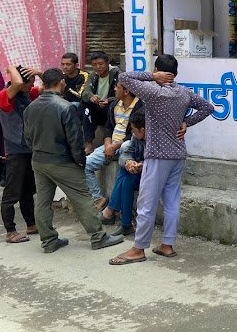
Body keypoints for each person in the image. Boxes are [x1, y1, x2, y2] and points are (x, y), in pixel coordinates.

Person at [109, 54, 215, 265]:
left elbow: (124, 77)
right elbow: (208, 108)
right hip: (178, 154)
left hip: (158, 155)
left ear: (159, 70)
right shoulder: (183, 92)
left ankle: (139, 248)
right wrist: (186, 122)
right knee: (172, 201)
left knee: (146, 203)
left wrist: (151, 76)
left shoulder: (154, 92)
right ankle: (167, 244)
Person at [22, 68, 124, 254]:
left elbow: (27, 138)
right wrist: (80, 161)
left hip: (39, 160)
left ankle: (49, 240)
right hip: (62, 161)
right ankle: (98, 237)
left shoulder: (31, 107)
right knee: (83, 199)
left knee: (42, 202)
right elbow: (75, 140)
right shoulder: (65, 107)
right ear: (61, 82)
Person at [0, 65, 41, 244]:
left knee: (28, 191)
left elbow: (51, 86)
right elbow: (18, 81)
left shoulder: (27, 95)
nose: (32, 85)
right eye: (30, 82)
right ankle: (10, 231)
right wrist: (11, 67)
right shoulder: (4, 96)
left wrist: (38, 73)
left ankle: (31, 224)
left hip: (29, 149)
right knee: (12, 192)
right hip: (15, 151)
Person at [84, 79, 141, 211]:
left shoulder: (139, 107)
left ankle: (115, 211)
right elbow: (108, 127)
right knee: (85, 164)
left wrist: (114, 147)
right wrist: (108, 144)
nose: (114, 89)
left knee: (126, 149)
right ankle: (98, 198)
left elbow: (133, 134)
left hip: (127, 146)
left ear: (126, 91)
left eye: (117, 87)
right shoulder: (115, 104)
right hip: (111, 146)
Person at [102, 109, 146, 237]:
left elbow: (157, 162)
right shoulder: (135, 137)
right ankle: (125, 223)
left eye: (133, 129)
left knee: (126, 177)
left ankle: (113, 210)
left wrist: (143, 165)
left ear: (142, 130)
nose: (131, 132)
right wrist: (129, 163)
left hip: (153, 174)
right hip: (138, 172)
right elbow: (125, 154)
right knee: (126, 173)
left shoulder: (155, 140)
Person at [81, 51, 120, 153]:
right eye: (94, 65)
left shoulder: (117, 74)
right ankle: (89, 144)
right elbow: (85, 91)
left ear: (107, 63)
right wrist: (91, 97)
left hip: (111, 105)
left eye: (100, 64)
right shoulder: (93, 76)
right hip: (97, 105)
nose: (98, 67)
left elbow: (121, 94)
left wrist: (109, 100)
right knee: (86, 110)